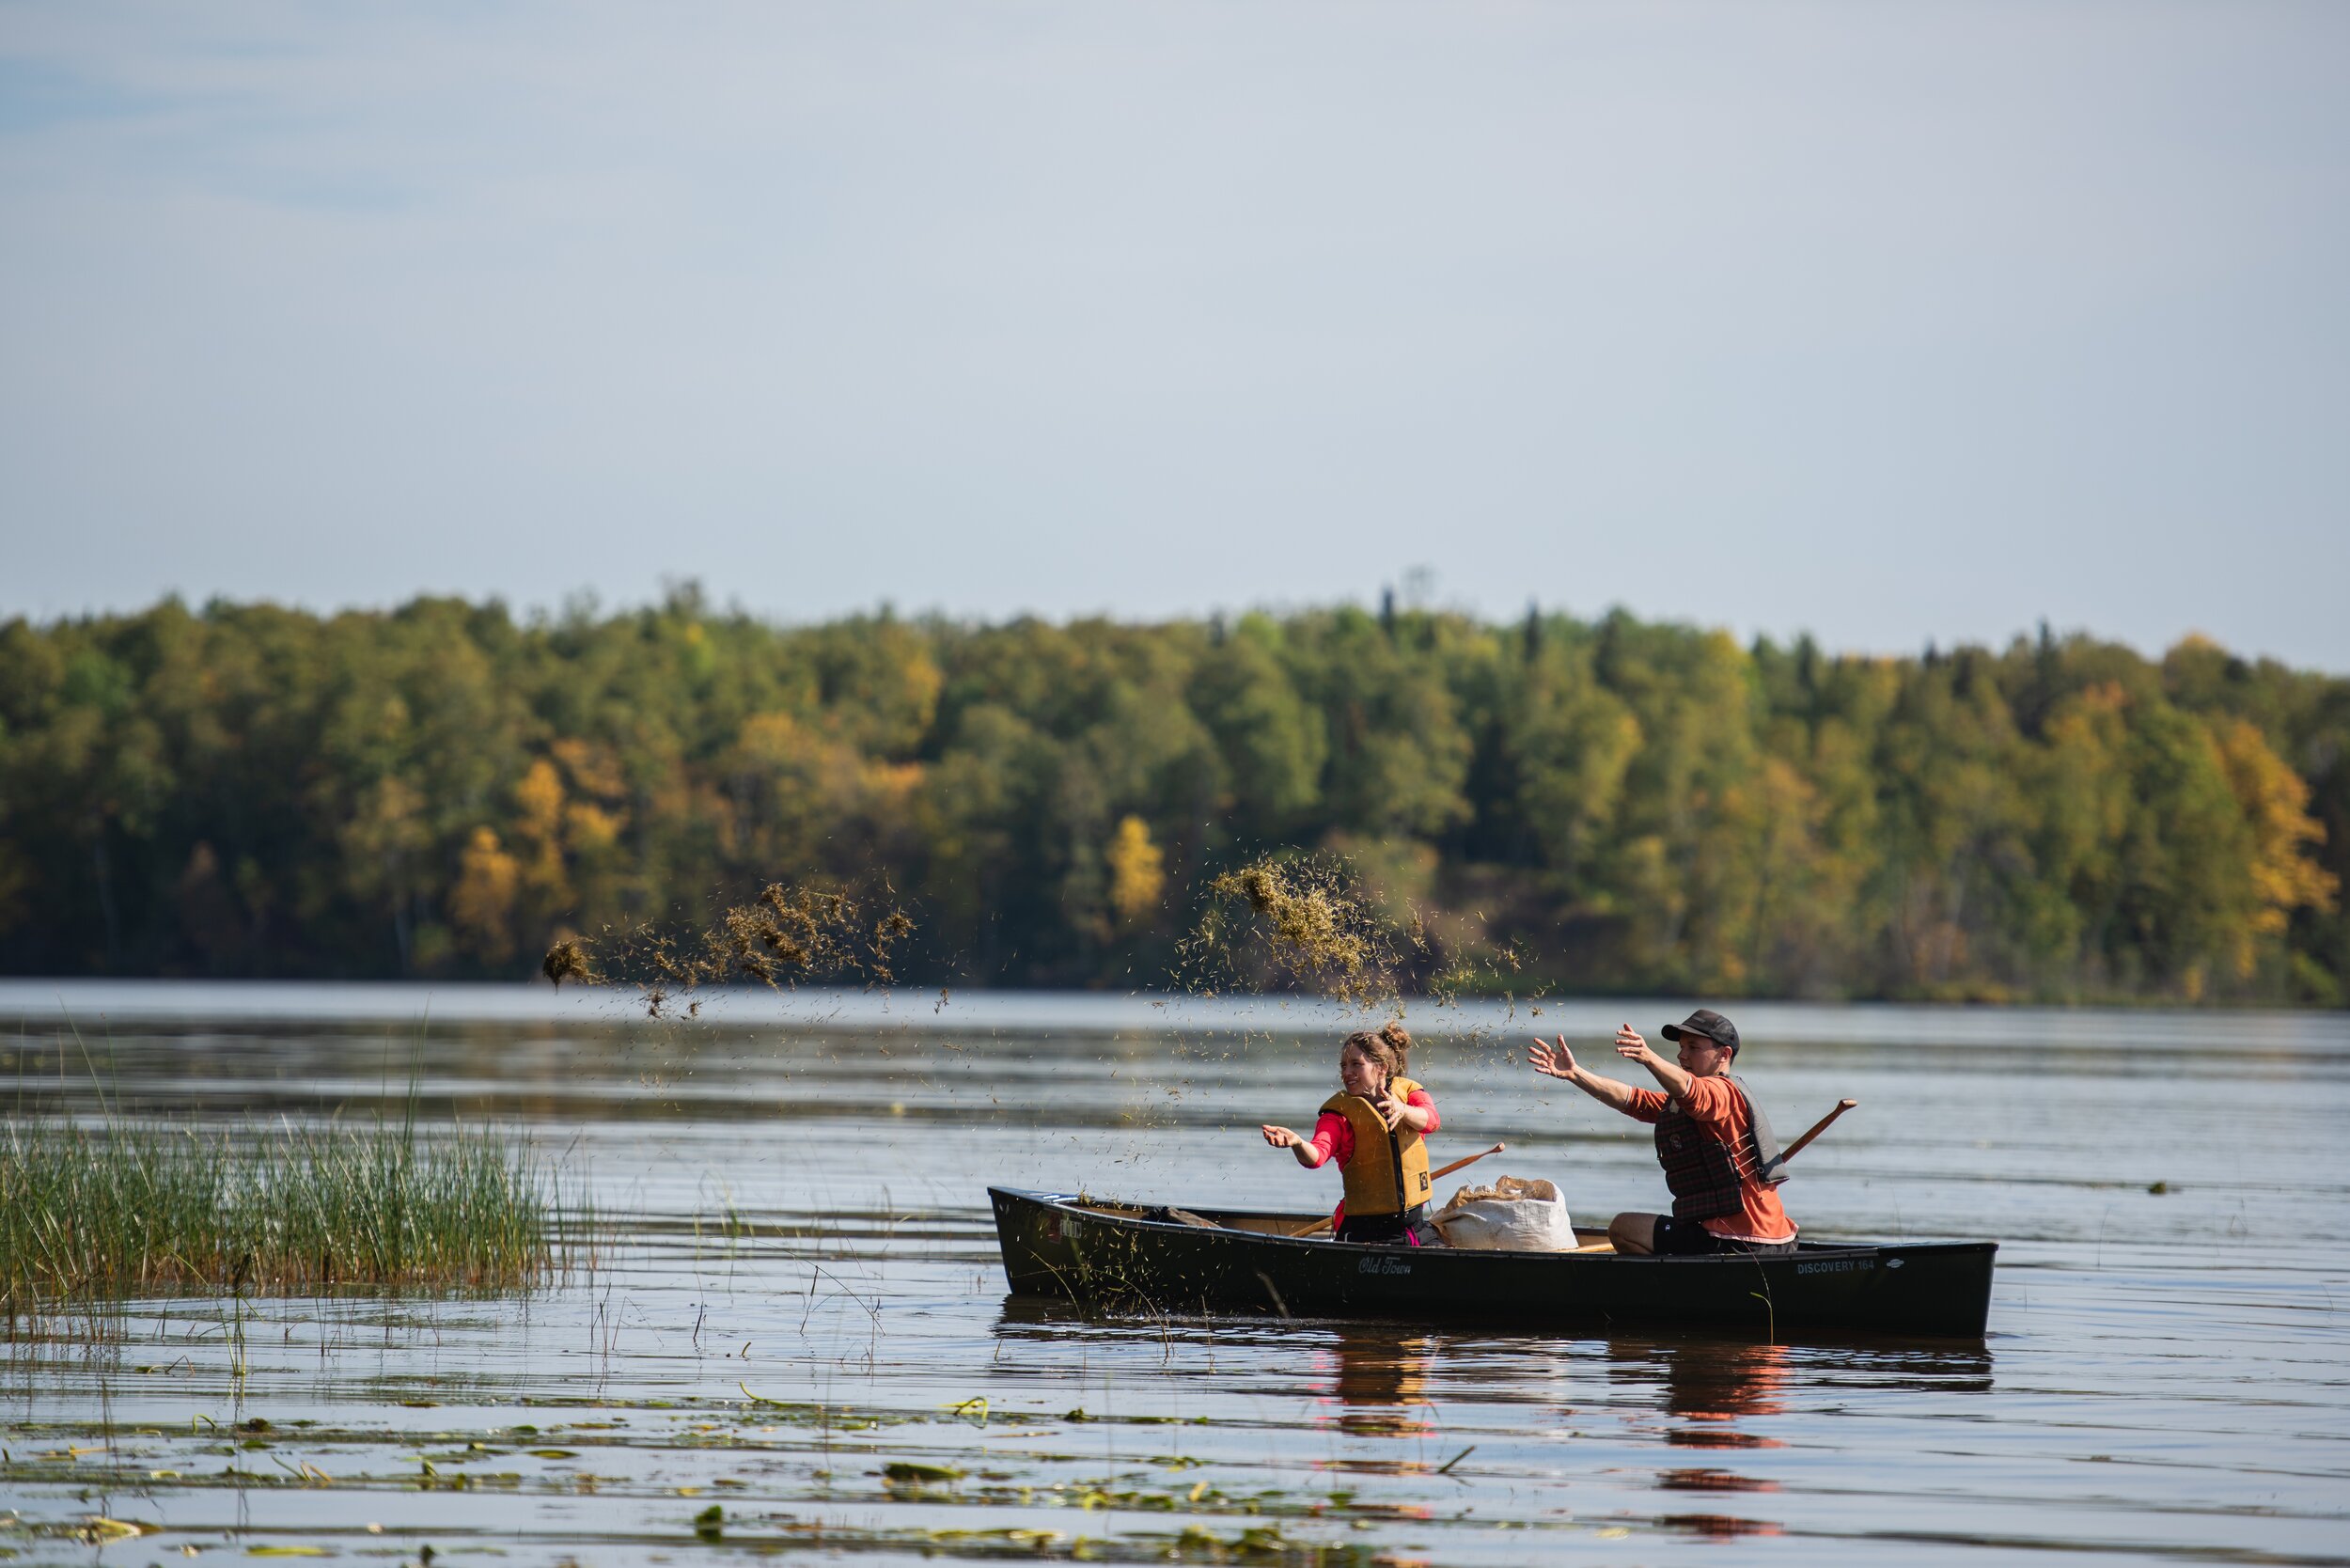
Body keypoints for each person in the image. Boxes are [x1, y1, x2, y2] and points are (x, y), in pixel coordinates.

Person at [1527, 1009, 1797, 1256]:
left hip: (1739, 1242)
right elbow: (1634, 1100)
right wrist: (1576, 1074)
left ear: (1724, 1055)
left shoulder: (1722, 1092)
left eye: (1693, 1047)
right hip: (1757, 1240)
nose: (1682, 1055)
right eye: (1681, 1047)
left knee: (1624, 1228)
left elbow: (1692, 1090)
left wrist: (1648, 1058)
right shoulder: (1682, 1102)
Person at [1261, 1021, 1444, 1246]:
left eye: (1356, 1064)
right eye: (1343, 1066)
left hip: (1414, 1231)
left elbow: (1432, 1121)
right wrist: (1297, 1143)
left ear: (1382, 1068)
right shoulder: (1338, 1116)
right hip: (1363, 1235)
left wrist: (1402, 1110)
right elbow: (1316, 1156)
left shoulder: (1410, 1095)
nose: (1347, 1073)